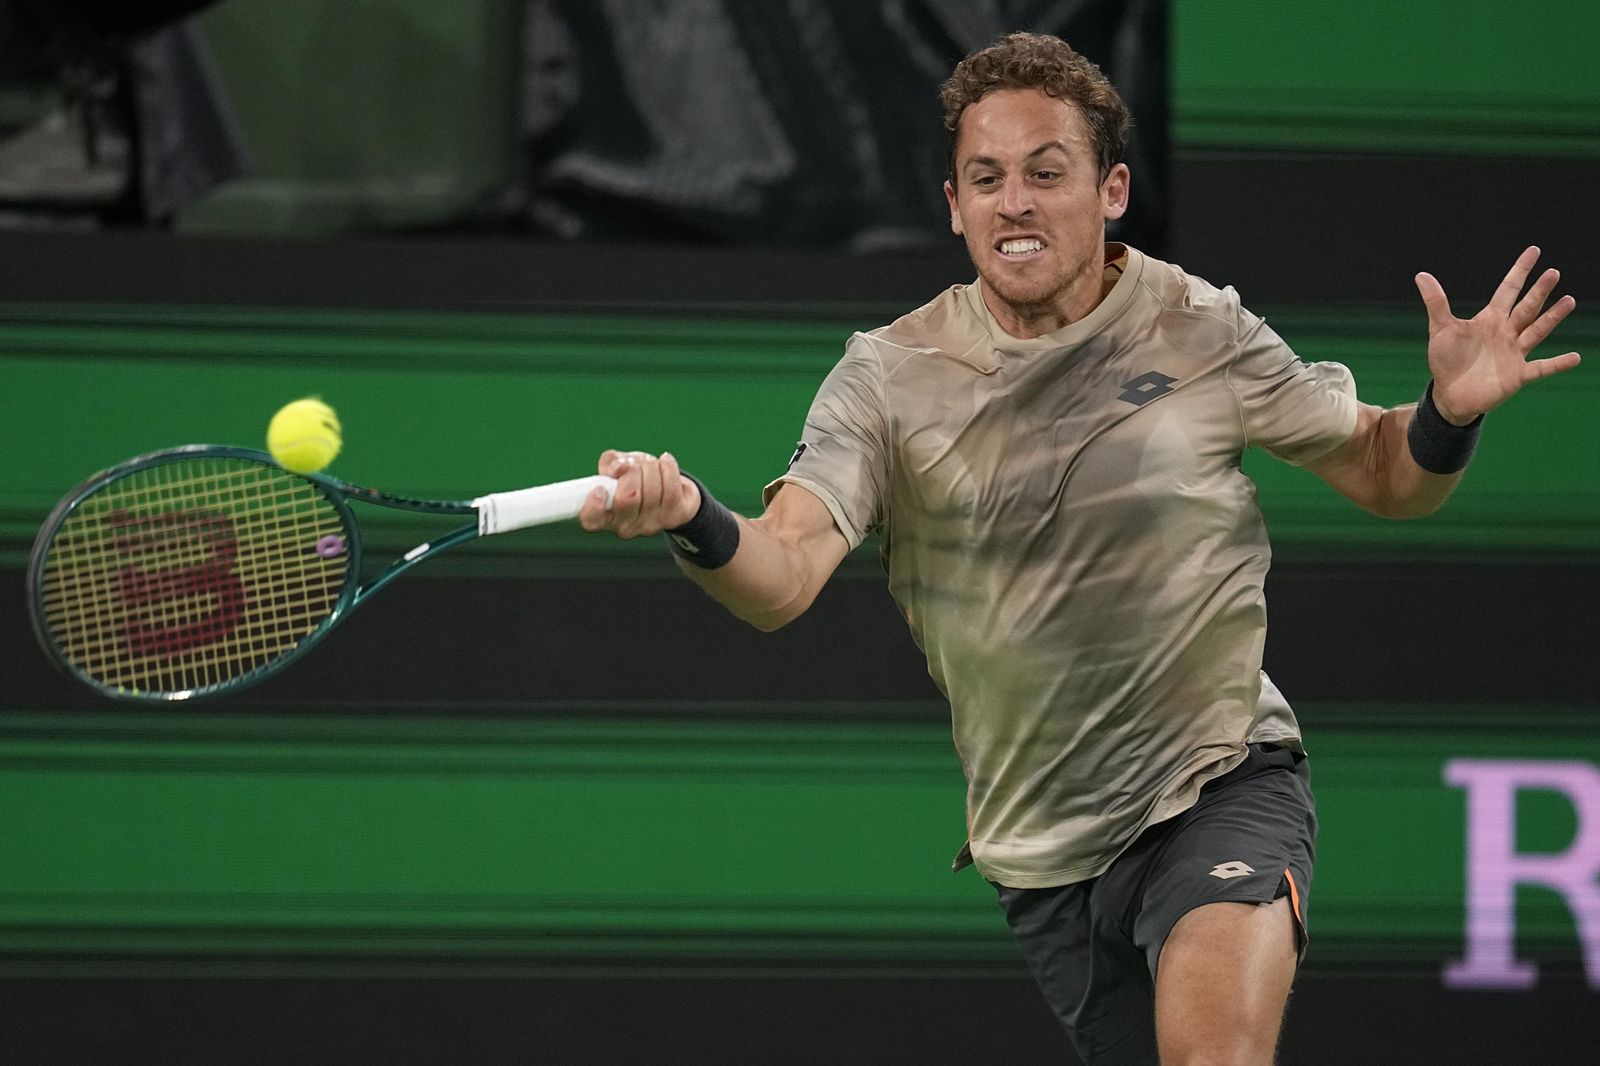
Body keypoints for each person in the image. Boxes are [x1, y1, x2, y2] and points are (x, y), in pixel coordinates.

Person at [576, 31, 1580, 1066]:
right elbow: (781, 577)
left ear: (1109, 192)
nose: (1014, 202)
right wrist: (692, 513)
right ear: (953, 205)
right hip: (1044, 851)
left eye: (1045, 172)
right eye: (986, 178)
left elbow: (1384, 471)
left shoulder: (1201, 330)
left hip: (1218, 781)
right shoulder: (886, 377)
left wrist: (1445, 416)